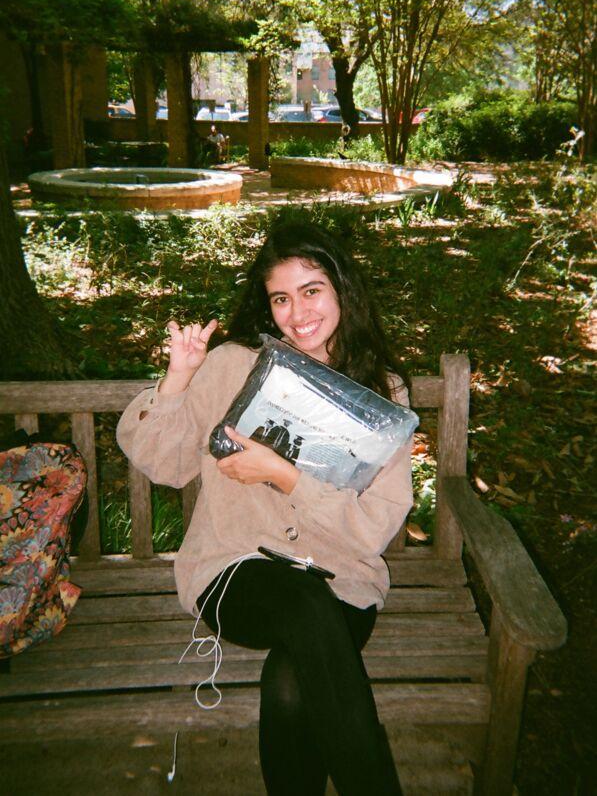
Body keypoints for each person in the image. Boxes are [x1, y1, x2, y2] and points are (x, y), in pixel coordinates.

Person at [116, 221, 413, 796]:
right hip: (234, 570)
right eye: (281, 297)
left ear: (342, 290)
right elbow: (165, 462)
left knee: (290, 681)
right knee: (302, 606)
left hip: (341, 578)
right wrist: (177, 380)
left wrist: (284, 476)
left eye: (312, 289)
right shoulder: (233, 364)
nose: (297, 312)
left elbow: (372, 528)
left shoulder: (384, 395)